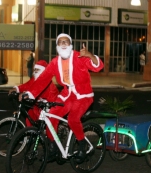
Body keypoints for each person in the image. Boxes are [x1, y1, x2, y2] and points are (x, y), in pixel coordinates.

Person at [23, 33, 104, 163]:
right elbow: (43, 79)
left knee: (73, 119)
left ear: (70, 44)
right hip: (67, 95)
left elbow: (98, 67)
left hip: (83, 95)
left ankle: (82, 145)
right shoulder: (55, 62)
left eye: (66, 41)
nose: (64, 44)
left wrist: (90, 55)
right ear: (57, 46)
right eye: (61, 42)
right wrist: (30, 93)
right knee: (50, 116)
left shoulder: (79, 56)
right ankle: (53, 146)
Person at [8, 60, 59, 126]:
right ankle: (31, 133)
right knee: (30, 115)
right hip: (39, 106)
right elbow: (27, 85)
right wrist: (17, 89)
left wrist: (28, 94)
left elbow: (39, 88)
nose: (35, 71)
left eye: (37, 69)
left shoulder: (47, 81)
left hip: (49, 106)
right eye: (35, 69)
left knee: (48, 126)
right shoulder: (35, 79)